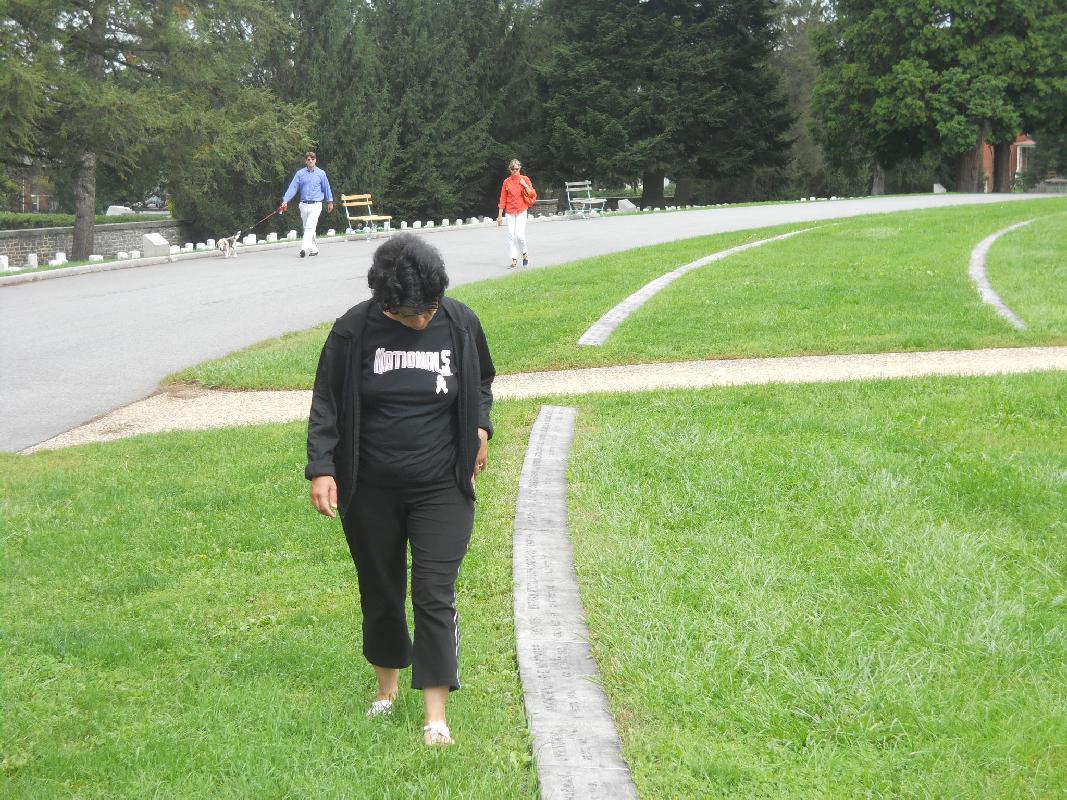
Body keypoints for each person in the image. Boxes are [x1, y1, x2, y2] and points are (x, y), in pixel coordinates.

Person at [305, 233, 495, 747]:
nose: (423, 320)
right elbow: (326, 401)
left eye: (429, 307)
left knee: (434, 592)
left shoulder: (459, 321)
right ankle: (386, 690)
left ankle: (436, 715)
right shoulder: (353, 330)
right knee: (381, 588)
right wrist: (322, 467)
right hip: (370, 487)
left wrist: (479, 429)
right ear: (385, 302)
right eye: (411, 313)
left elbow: (480, 384)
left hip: (442, 486)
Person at [279, 151, 334, 258]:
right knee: (307, 227)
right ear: (306, 161)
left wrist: (330, 201)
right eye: (308, 159)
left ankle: (303, 249)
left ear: (315, 160)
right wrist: (285, 200)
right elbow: (293, 188)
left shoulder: (321, 173)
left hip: (316, 204)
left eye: (312, 159)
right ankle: (313, 249)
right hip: (303, 204)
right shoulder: (300, 174)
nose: (310, 161)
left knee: (309, 226)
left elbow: (326, 188)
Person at [496, 158, 537, 269]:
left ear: (520, 168)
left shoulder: (525, 179)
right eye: (513, 169)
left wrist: (525, 185)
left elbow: (533, 194)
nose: (515, 171)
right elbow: (502, 199)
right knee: (511, 236)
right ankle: (514, 260)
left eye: (517, 169)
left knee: (519, 236)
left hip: (521, 210)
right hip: (510, 212)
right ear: (510, 169)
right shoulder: (506, 182)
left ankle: (525, 254)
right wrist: (500, 216)